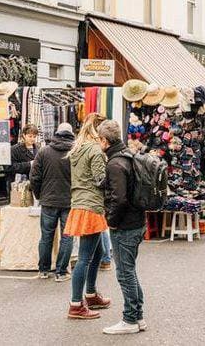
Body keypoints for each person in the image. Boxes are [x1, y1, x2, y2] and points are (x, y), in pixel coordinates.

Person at [99, 120, 148, 335]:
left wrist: (111, 221)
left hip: (125, 225)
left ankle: (130, 319)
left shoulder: (115, 164)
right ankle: (138, 317)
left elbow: (119, 199)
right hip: (136, 221)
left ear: (104, 140)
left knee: (124, 273)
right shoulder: (127, 155)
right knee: (130, 270)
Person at [64, 113, 112, 320]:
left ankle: (91, 294)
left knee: (99, 250)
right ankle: (76, 304)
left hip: (80, 202)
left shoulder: (78, 148)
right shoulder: (95, 150)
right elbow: (100, 179)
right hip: (91, 205)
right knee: (84, 258)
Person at [30, 122, 75, 282]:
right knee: (67, 236)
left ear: (57, 133)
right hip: (69, 201)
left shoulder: (44, 151)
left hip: (48, 200)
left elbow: (34, 177)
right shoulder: (75, 152)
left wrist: (39, 195)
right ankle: (61, 272)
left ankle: (43, 270)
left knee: (46, 236)